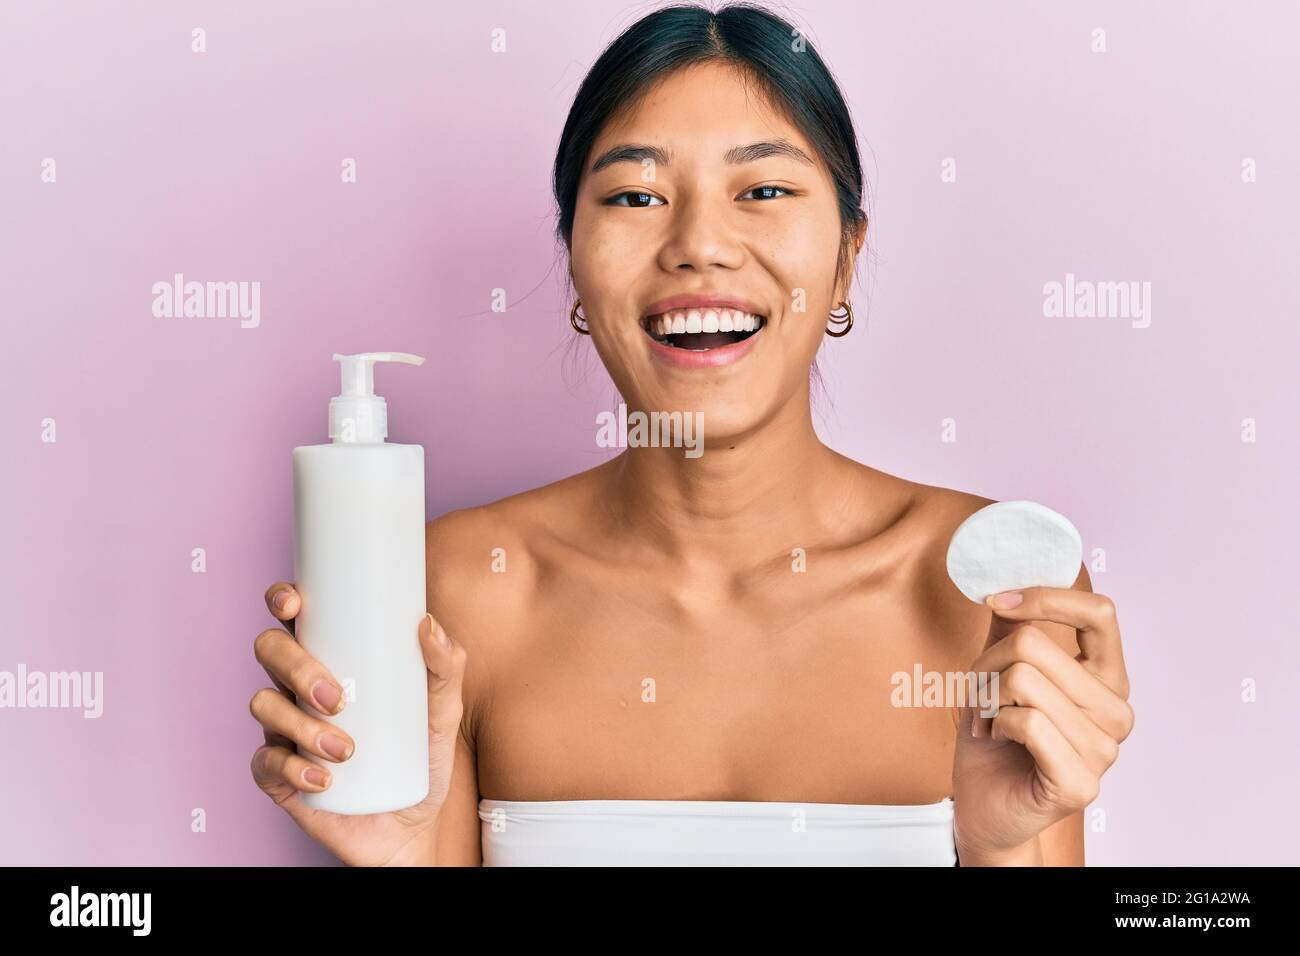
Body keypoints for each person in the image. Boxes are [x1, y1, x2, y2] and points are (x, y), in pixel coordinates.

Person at [249, 2, 1133, 866]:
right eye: (636, 194)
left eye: (765, 189)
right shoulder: (458, 592)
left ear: (846, 261)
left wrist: (1002, 849)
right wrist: (400, 860)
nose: (699, 244)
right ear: (572, 263)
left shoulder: (994, 588)